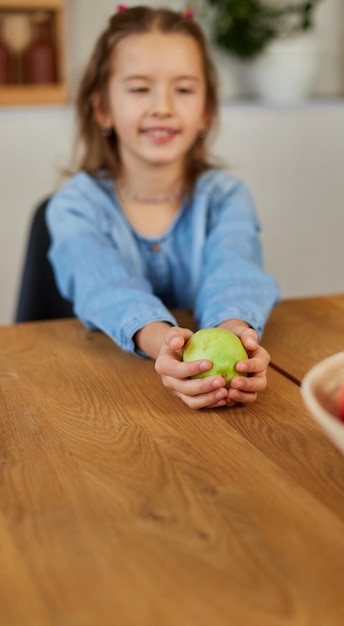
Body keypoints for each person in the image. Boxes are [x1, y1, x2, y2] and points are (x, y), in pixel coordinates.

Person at [46, 5, 280, 409]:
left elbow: (236, 272)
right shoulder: (75, 206)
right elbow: (105, 287)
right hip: (106, 398)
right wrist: (165, 344)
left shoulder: (227, 198)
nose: (163, 107)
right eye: (140, 89)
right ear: (102, 108)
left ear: (205, 110)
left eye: (184, 89)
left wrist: (238, 334)